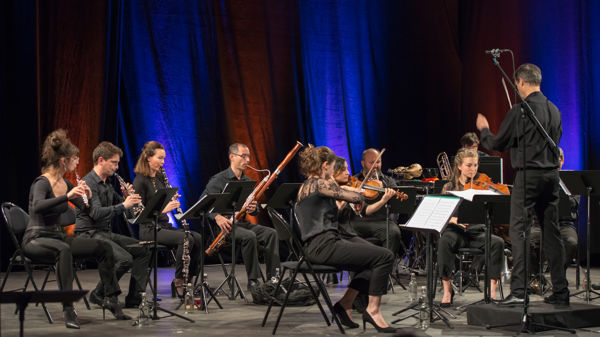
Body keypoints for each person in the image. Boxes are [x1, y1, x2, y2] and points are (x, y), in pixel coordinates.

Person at [477, 63, 567, 305]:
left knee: (519, 231)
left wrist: (484, 130)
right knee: (552, 234)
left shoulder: (521, 111)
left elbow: (497, 144)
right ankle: (561, 291)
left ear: (521, 83)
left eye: (517, 84)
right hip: (551, 177)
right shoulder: (554, 109)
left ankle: (519, 291)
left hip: (528, 177)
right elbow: (555, 143)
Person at [22, 129, 129, 329]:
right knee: (64, 251)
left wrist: (87, 197)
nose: (78, 161)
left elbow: (87, 210)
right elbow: (36, 207)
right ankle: (68, 308)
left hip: (57, 237)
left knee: (102, 246)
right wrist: (67, 197)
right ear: (64, 160)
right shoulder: (42, 182)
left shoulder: (66, 182)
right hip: (35, 239)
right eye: (75, 158)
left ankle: (110, 298)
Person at [295, 146, 396, 333]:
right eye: (333, 167)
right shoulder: (321, 183)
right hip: (324, 246)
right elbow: (355, 197)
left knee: (372, 260)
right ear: (325, 165)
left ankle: (345, 304)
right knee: (385, 256)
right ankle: (373, 310)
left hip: (318, 245)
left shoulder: (306, 185)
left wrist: (350, 190)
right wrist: (361, 192)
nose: (334, 172)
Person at [76, 141, 151, 308]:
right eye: (114, 163)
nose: (117, 167)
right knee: (124, 259)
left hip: (104, 233)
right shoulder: (88, 183)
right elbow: (95, 213)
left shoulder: (108, 184)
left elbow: (126, 213)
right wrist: (123, 205)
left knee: (143, 249)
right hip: (88, 234)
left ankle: (135, 298)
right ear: (101, 160)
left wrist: (127, 199)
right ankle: (99, 293)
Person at [201, 143, 280, 289]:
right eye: (243, 156)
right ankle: (254, 280)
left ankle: (273, 278)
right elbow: (203, 204)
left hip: (239, 224)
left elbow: (254, 209)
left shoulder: (247, 181)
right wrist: (217, 217)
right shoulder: (218, 180)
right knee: (249, 236)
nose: (248, 160)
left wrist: (253, 208)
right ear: (232, 157)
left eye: (249, 156)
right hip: (223, 228)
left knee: (271, 233)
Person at [132, 141, 203, 298]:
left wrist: (170, 199)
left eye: (164, 158)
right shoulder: (139, 181)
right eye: (160, 158)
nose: (163, 162)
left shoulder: (159, 179)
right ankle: (179, 281)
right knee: (185, 238)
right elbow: (139, 214)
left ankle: (188, 280)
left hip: (163, 226)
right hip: (149, 229)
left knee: (196, 237)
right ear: (148, 158)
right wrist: (165, 208)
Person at [437, 149, 505, 305]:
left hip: (477, 233)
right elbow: (443, 214)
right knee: (444, 242)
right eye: (468, 165)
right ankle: (448, 291)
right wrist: (455, 220)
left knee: (497, 243)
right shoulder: (449, 187)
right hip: (456, 232)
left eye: (475, 165)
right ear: (459, 166)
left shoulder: (483, 187)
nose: (472, 169)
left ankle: (491, 291)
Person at [529, 147, 579, 288]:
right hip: (541, 223)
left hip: (564, 223)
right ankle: (537, 277)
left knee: (571, 243)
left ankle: (557, 274)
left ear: (561, 161)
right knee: (527, 241)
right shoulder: (539, 179)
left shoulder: (571, 179)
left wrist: (558, 188)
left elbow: (574, 204)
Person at [350, 149, 402, 256]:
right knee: (346, 231)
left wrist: (385, 192)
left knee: (393, 232)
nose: (375, 166)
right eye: (371, 162)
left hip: (381, 221)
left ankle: (385, 268)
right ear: (363, 163)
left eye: (378, 162)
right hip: (358, 222)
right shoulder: (354, 181)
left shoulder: (388, 181)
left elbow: (398, 205)